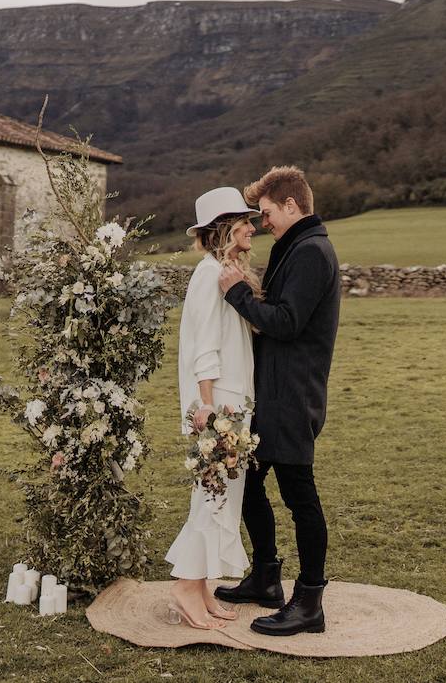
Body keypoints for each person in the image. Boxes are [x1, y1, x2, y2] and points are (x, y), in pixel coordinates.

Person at [215, 166, 340, 636]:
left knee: (299, 495)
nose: (263, 222)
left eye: (266, 212)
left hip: (292, 395)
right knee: (247, 480)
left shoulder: (311, 252)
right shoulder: (296, 248)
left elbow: (286, 322)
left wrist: (237, 294)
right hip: (274, 392)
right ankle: (266, 576)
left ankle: (309, 602)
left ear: (291, 204)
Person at [163, 186, 261, 630]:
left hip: (233, 400)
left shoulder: (223, 273)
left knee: (220, 496)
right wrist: (206, 407)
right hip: (218, 403)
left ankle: (200, 587)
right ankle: (186, 586)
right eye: (244, 220)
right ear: (224, 228)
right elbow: (203, 345)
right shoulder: (207, 275)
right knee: (212, 496)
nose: (252, 227)